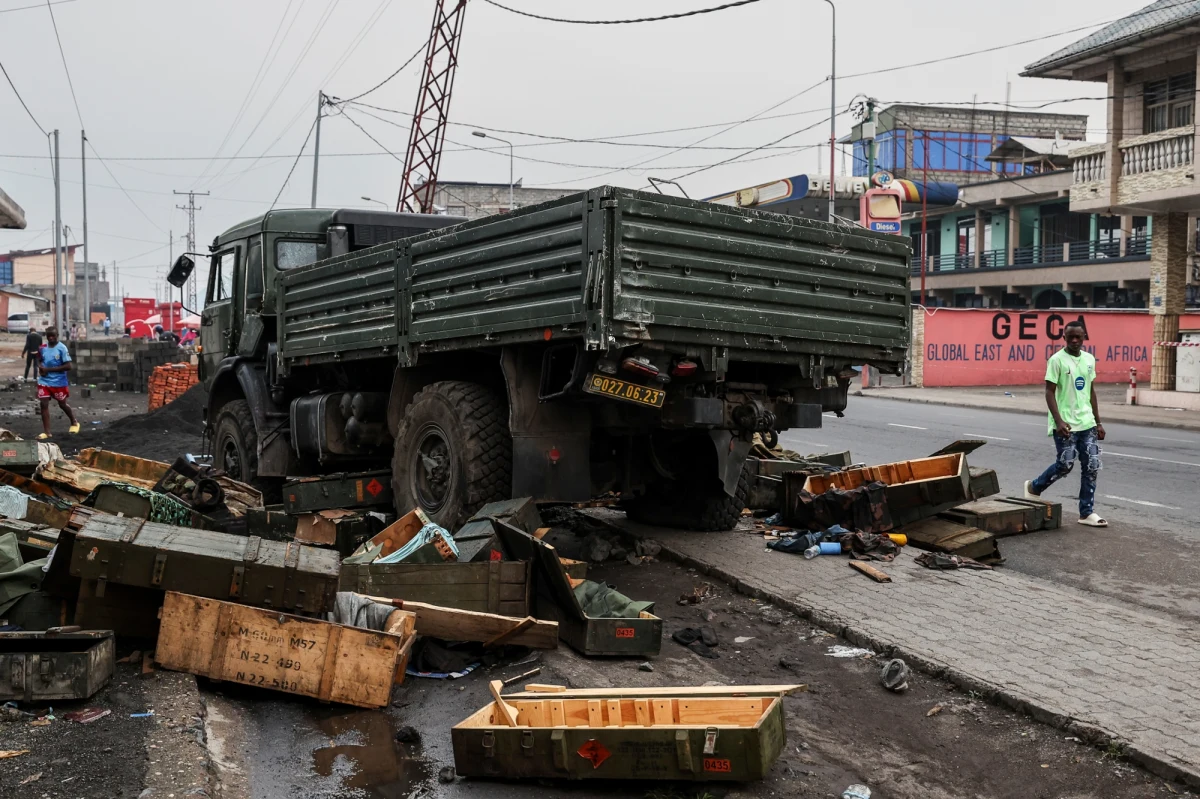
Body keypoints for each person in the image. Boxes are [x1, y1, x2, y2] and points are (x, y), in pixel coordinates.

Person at [1025, 320, 1107, 527]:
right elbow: (1049, 392)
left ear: (1085, 336)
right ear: (1064, 337)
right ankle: (1035, 487)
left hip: (1086, 422)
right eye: (1070, 336)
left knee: (1091, 466)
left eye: (1078, 336)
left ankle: (1086, 513)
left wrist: (1098, 422)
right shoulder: (1056, 360)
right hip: (1066, 425)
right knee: (1065, 465)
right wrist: (1058, 420)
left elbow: (1090, 391)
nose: (1074, 340)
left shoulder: (1089, 359)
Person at [36, 326, 80, 439]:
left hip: (58, 382)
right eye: (48, 336)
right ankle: (47, 432)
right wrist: (41, 367)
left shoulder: (62, 348)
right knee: (43, 404)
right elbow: (39, 359)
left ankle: (74, 422)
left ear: (57, 336)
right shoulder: (42, 348)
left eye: (53, 336)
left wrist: (48, 370)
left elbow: (68, 366)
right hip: (44, 381)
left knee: (62, 404)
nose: (51, 338)